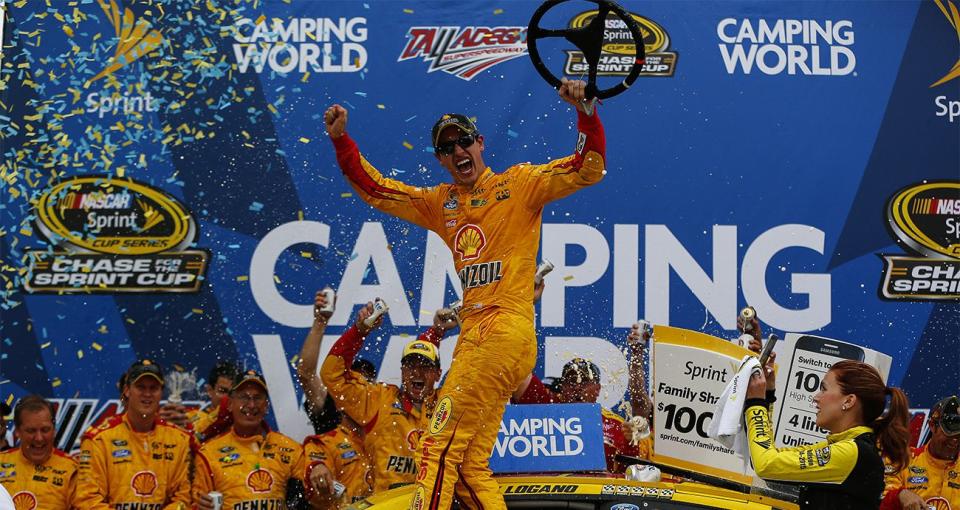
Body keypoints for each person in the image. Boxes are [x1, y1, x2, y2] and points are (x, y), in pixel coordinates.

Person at [325, 77, 604, 510]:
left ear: (481, 143)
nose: (458, 152)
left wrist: (585, 113)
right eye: (448, 148)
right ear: (440, 159)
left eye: (464, 141)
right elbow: (378, 191)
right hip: (484, 339)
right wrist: (342, 141)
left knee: (435, 448)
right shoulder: (442, 203)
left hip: (501, 332)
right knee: (470, 468)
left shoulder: (521, 183)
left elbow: (589, 168)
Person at [745, 359, 911, 509]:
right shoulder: (848, 447)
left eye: (823, 389)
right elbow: (766, 457)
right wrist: (767, 396)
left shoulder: (852, 452)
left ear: (849, 401)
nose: (815, 398)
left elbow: (766, 464)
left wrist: (756, 403)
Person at [320, 303, 443, 494]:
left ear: (438, 374)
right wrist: (359, 331)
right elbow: (331, 375)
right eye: (410, 366)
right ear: (402, 372)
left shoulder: (447, 403)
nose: (416, 372)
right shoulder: (380, 399)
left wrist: (438, 332)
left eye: (425, 367)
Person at [512, 326, 653, 472]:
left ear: (598, 389)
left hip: (593, 492)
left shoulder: (616, 425)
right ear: (563, 387)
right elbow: (515, 371)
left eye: (585, 382)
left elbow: (631, 472)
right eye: (572, 381)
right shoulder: (546, 406)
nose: (578, 387)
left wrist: (631, 442)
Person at [75, 359, 193, 508]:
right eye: (141, 387)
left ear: (161, 392)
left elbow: (184, 498)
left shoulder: (179, 439)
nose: (147, 394)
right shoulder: (99, 439)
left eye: (153, 388)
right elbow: (86, 500)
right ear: (127, 390)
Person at [193, 369, 307, 509]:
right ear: (229, 404)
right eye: (244, 397)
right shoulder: (209, 453)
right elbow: (195, 502)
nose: (251, 405)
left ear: (266, 406)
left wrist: (318, 468)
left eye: (257, 398)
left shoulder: (290, 448)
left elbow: (316, 499)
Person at [881, 395, 959, 510]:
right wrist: (900, 495)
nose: (955, 440)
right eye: (950, 433)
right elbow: (880, 502)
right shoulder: (902, 459)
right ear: (932, 425)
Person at [0, 395, 77, 509]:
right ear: (17, 431)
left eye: (45, 430)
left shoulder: (72, 469)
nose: (39, 438)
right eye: (31, 431)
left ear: (54, 430)